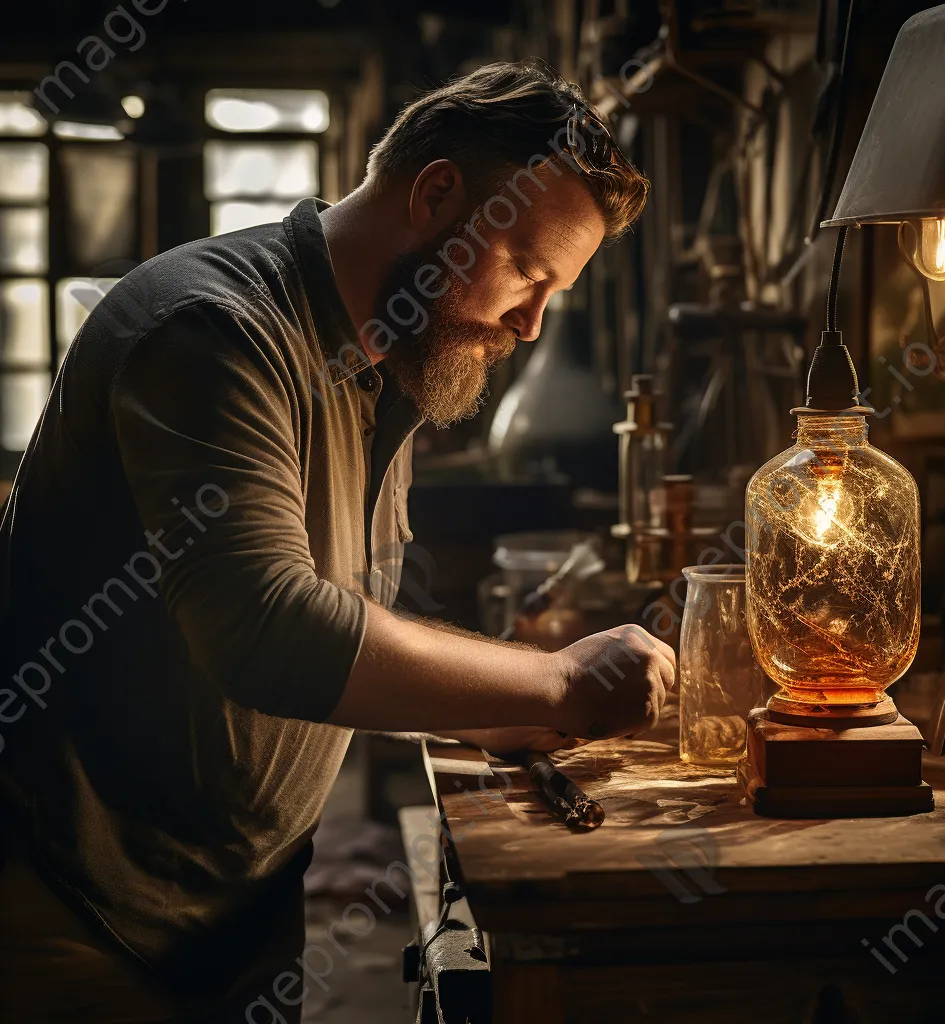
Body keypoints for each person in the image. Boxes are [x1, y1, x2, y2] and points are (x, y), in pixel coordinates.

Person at [0, 60, 670, 1021]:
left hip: (239, 907)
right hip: (82, 909)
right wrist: (555, 680)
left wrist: (488, 709)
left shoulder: (374, 359)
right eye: (528, 272)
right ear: (437, 194)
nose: (530, 325)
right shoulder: (215, 334)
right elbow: (269, 626)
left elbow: (357, 617)